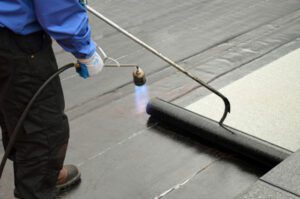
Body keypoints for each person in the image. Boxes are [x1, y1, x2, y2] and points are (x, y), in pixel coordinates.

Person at [0, 0, 103, 198]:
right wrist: (84, 50)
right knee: (43, 131)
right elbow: (58, 5)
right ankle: (37, 184)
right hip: (14, 41)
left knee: (12, 109)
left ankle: (43, 172)